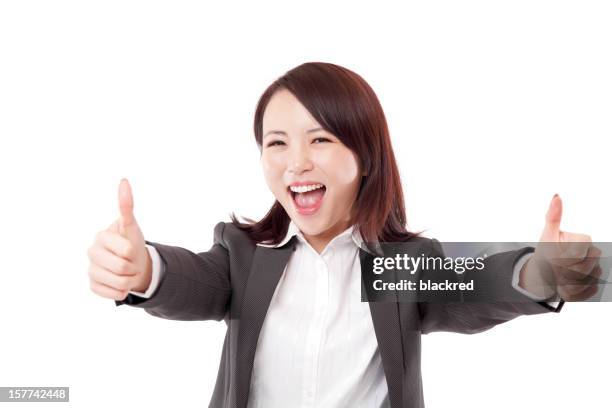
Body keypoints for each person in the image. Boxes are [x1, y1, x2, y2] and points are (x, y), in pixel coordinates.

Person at [87, 62, 599, 408]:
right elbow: (193, 282)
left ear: (364, 155)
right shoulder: (243, 254)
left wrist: (537, 273)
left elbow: (476, 284)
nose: (296, 162)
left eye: (321, 139)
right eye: (277, 143)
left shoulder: (405, 263)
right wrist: (145, 269)